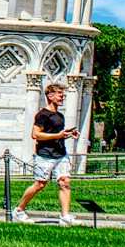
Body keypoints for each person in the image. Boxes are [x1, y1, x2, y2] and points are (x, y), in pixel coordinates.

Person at [14, 82, 79, 225]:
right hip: (45, 155)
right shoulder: (42, 115)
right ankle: (19, 210)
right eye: (59, 94)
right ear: (50, 96)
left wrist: (68, 134)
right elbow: (35, 134)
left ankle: (65, 216)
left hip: (60, 154)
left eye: (63, 94)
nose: (63, 97)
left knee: (65, 182)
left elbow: (57, 133)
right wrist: (59, 136)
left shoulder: (60, 116)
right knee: (40, 184)